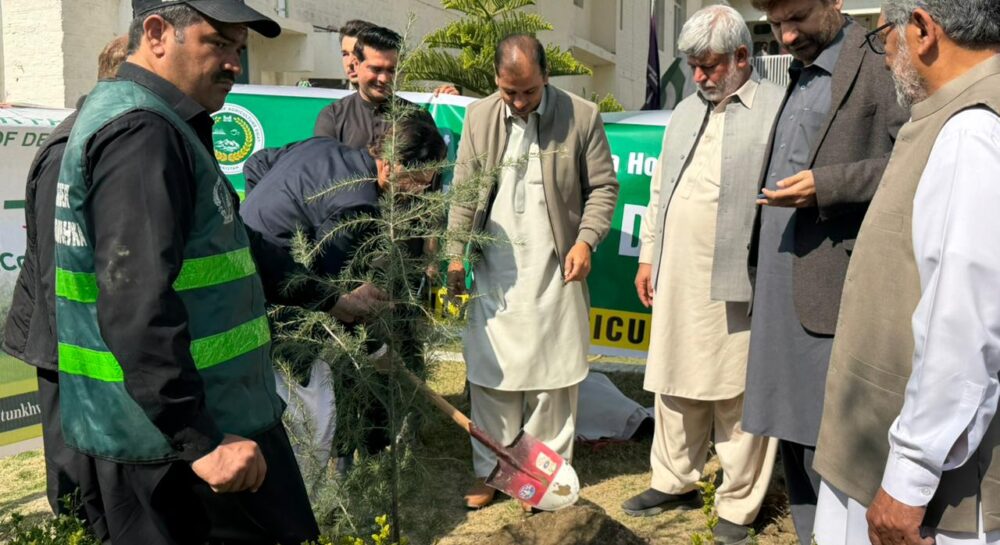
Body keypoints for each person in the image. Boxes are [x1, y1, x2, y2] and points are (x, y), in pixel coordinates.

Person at [52, 2, 319, 543]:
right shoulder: (142, 135)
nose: (233, 65)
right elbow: (134, 303)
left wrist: (329, 296)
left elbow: (230, 250)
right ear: (156, 33)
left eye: (238, 50)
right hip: (183, 453)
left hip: (184, 432)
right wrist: (200, 441)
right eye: (217, 43)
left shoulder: (164, 122)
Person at [810, 2, 1000, 544]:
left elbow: (964, 328)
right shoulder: (954, 119)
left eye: (884, 39)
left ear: (921, 30)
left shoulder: (970, 132)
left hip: (928, 489)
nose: (886, 54)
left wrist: (909, 479)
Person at [741, 0, 908, 541]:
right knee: (791, 434)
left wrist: (828, 186)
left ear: (835, 2)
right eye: (774, 24)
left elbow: (916, 158)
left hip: (833, 295)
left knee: (830, 448)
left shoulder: (880, 58)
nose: (786, 37)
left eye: (797, 19)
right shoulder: (801, 67)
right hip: (781, 291)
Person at [620, 6, 785, 543]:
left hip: (739, 276)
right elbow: (660, 189)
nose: (699, 77)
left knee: (736, 388)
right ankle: (674, 478)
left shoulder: (775, 109)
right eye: (692, 65)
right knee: (673, 377)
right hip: (677, 273)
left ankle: (739, 504)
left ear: (742, 56)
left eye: (709, 65)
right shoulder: (686, 110)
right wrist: (650, 257)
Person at [446, 33, 619, 510]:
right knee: (490, 374)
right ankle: (493, 472)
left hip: (556, 265)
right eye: (509, 92)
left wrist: (585, 241)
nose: (520, 102)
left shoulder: (581, 116)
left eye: (529, 92)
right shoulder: (480, 116)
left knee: (553, 379)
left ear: (546, 76)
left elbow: (603, 188)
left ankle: (540, 478)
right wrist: (457, 254)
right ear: (497, 82)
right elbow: (463, 191)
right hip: (496, 267)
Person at [2, 34, 127, 543]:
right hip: (65, 345)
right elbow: (60, 269)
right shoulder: (72, 149)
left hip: (84, 344)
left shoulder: (102, 138)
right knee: (80, 488)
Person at [313, 24, 436, 147]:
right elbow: (324, 163)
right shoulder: (333, 117)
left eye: (392, 70)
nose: (384, 79)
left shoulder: (419, 117)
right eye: (376, 69)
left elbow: (431, 163)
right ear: (356, 65)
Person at [337, 19, 374, 88]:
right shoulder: (332, 97)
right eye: (345, 54)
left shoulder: (393, 97)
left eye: (357, 53)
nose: (349, 63)